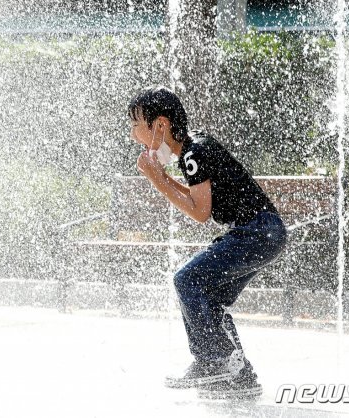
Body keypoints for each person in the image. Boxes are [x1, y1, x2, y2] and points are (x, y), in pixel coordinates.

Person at [128, 86, 287, 399]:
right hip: (264, 232)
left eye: (136, 125)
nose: (133, 135)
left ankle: (212, 361)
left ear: (160, 125)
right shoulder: (193, 149)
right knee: (210, 298)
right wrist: (159, 176)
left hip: (256, 231)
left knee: (186, 279)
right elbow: (199, 201)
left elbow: (200, 213)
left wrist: (157, 179)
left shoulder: (193, 152)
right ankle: (239, 376)